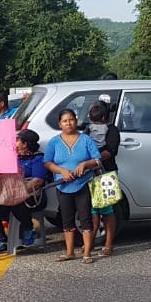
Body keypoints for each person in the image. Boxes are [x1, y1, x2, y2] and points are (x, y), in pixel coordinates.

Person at [45, 108, 102, 264]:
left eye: (71, 120)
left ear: (76, 121)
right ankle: (69, 252)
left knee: (85, 219)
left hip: (83, 184)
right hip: (63, 186)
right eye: (65, 121)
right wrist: (61, 170)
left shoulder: (85, 140)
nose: (68, 123)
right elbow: (48, 162)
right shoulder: (54, 142)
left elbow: (97, 159)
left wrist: (85, 163)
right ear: (60, 124)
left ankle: (87, 253)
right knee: (67, 219)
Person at [0, 129, 48, 252]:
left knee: (16, 202)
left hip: (32, 195)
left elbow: (37, 181)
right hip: (10, 193)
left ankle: (28, 227)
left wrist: (17, 191)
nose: (14, 143)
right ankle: (3, 239)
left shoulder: (38, 158)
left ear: (25, 144)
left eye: (17, 140)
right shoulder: (11, 157)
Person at [84, 101, 121, 256]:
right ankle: (91, 243)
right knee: (93, 210)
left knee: (106, 209)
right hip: (91, 173)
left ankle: (108, 244)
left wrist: (92, 160)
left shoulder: (111, 130)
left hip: (105, 173)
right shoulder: (90, 130)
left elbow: (111, 151)